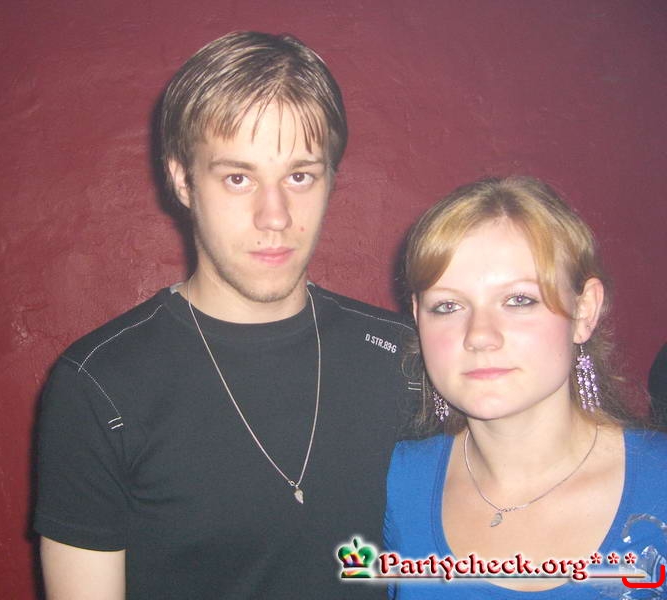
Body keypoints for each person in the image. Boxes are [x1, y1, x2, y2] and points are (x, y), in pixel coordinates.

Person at [34, 31, 417, 599]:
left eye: (300, 176)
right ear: (183, 180)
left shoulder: (406, 357)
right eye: (238, 178)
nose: (274, 216)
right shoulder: (100, 385)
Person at [383, 176, 667, 598]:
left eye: (519, 300)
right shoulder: (398, 483)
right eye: (447, 305)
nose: (479, 336)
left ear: (584, 312)